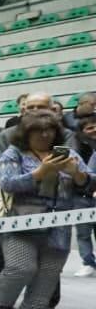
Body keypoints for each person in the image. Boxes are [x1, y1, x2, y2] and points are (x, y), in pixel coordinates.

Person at [0, 111, 90, 309]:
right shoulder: (13, 153)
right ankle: (2, 307)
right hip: (21, 223)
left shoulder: (70, 155)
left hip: (59, 226)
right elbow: (7, 184)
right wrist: (40, 173)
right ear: (26, 133)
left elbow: (88, 183)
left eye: (50, 130)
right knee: (20, 268)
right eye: (38, 130)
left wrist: (77, 174)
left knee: (49, 272)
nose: (45, 134)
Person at [0, 92, 65, 163]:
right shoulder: (6, 135)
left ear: (52, 110)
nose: (35, 110)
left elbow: (66, 162)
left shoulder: (65, 133)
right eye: (30, 107)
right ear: (23, 111)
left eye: (41, 107)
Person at [69, 115, 96, 277]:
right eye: (89, 127)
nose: (93, 130)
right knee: (83, 232)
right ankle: (88, 262)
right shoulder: (76, 146)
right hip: (80, 195)